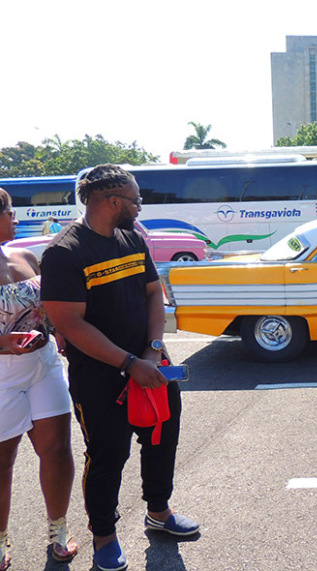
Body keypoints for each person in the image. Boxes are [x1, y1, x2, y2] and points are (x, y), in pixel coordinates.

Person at [40, 165, 199, 571]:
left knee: (161, 438)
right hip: (100, 377)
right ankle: (104, 537)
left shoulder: (132, 238)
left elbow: (153, 294)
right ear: (113, 201)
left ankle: (158, 512)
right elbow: (70, 324)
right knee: (107, 456)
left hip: (151, 364)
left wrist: (153, 350)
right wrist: (128, 363)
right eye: (136, 199)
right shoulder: (64, 252)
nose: (140, 206)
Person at [0, 188, 78, 571]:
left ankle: (58, 530)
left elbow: (49, 306)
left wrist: (57, 328)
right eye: (9, 211)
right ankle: (0, 539)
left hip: (43, 366)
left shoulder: (26, 257)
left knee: (58, 451)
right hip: (1, 376)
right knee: (2, 460)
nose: (15, 217)